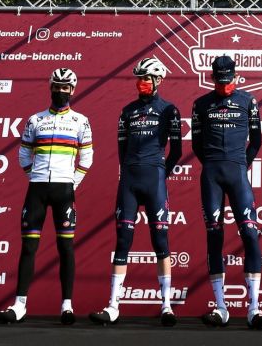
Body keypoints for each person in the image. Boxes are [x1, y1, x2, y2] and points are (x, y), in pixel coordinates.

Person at [0, 67, 93, 325]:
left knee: (66, 247)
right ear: (50, 88)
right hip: (37, 190)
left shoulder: (80, 121)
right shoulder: (35, 120)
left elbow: (87, 157)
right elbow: (23, 154)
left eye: (65, 88)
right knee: (29, 247)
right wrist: (35, 177)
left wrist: (72, 183)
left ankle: (67, 306)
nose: (60, 91)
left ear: (72, 90)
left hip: (64, 190)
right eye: (56, 87)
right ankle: (19, 305)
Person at [90, 57, 183, 327]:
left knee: (160, 242)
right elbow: (122, 151)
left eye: (146, 78)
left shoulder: (169, 110)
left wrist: (160, 174)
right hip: (129, 181)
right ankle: (113, 306)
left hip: (154, 180)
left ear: (158, 80)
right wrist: (130, 172)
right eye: (139, 78)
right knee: (123, 241)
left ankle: (166, 306)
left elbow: (176, 151)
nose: (141, 83)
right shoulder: (127, 111)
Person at [192, 55, 262, 329]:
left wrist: (240, 164)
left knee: (250, 234)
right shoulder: (201, 104)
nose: (224, 86)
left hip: (238, 173)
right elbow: (197, 144)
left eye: (228, 81)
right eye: (219, 81)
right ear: (212, 78)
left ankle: (254, 308)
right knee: (214, 236)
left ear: (236, 77)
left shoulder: (248, 101)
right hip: (212, 175)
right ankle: (221, 307)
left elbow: (256, 140)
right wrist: (213, 163)